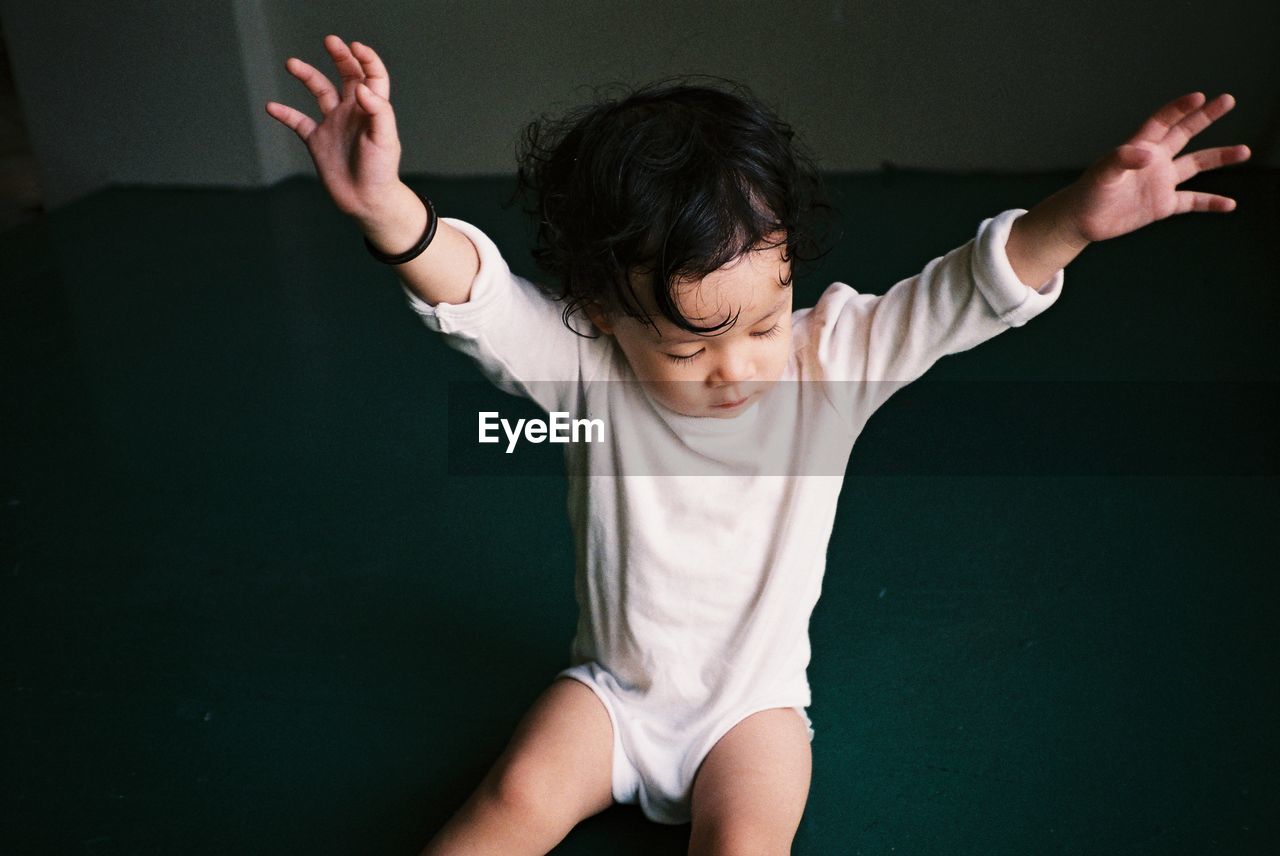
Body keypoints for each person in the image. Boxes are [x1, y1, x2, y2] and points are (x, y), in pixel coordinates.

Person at [265, 34, 1250, 856]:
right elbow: (479, 302)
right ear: (605, 314)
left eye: (760, 318)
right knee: (514, 795)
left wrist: (1074, 218)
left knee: (743, 845)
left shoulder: (828, 364)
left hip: (750, 713)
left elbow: (960, 295)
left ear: (789, 278)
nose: (736, 365)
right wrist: (389, 210)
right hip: (613, 696)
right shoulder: (586, 373)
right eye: (689, 343)